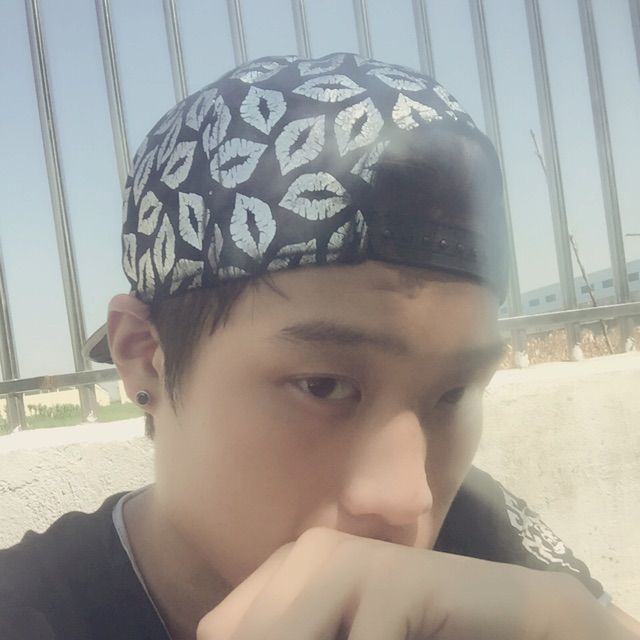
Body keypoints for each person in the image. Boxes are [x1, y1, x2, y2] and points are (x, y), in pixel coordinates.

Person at [1, 53, 638, 640]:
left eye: (453, 393)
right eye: (324, 386)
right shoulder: (29, 609)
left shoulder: (479, 529)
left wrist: (572, 625)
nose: (407, 500)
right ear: (145, 358)